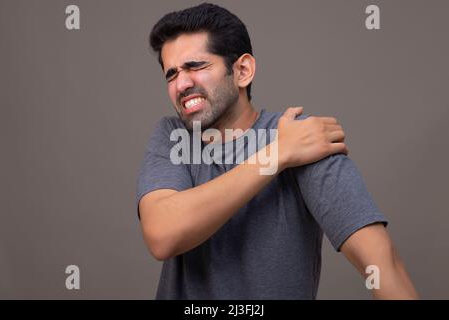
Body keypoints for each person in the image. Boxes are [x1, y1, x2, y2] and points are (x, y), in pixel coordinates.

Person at [137, 3, 418, 299]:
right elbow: (163, 234)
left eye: (196, 66)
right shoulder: (173, 136)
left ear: (242, 71)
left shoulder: (305, 140)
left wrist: (287, 148)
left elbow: (383, 266)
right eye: (171, 74)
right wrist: (279, 155)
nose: (181, 84)